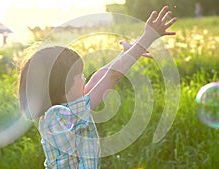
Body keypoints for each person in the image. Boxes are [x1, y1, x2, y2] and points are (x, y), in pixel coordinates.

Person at [18, 6, 177, 169]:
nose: (84, 78)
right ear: (64, 87)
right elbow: (112, 77)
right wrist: (147, 38)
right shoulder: (60, 117)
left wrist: (126, 54)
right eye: (79, 75)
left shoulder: (66, 108)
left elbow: (98, 78)